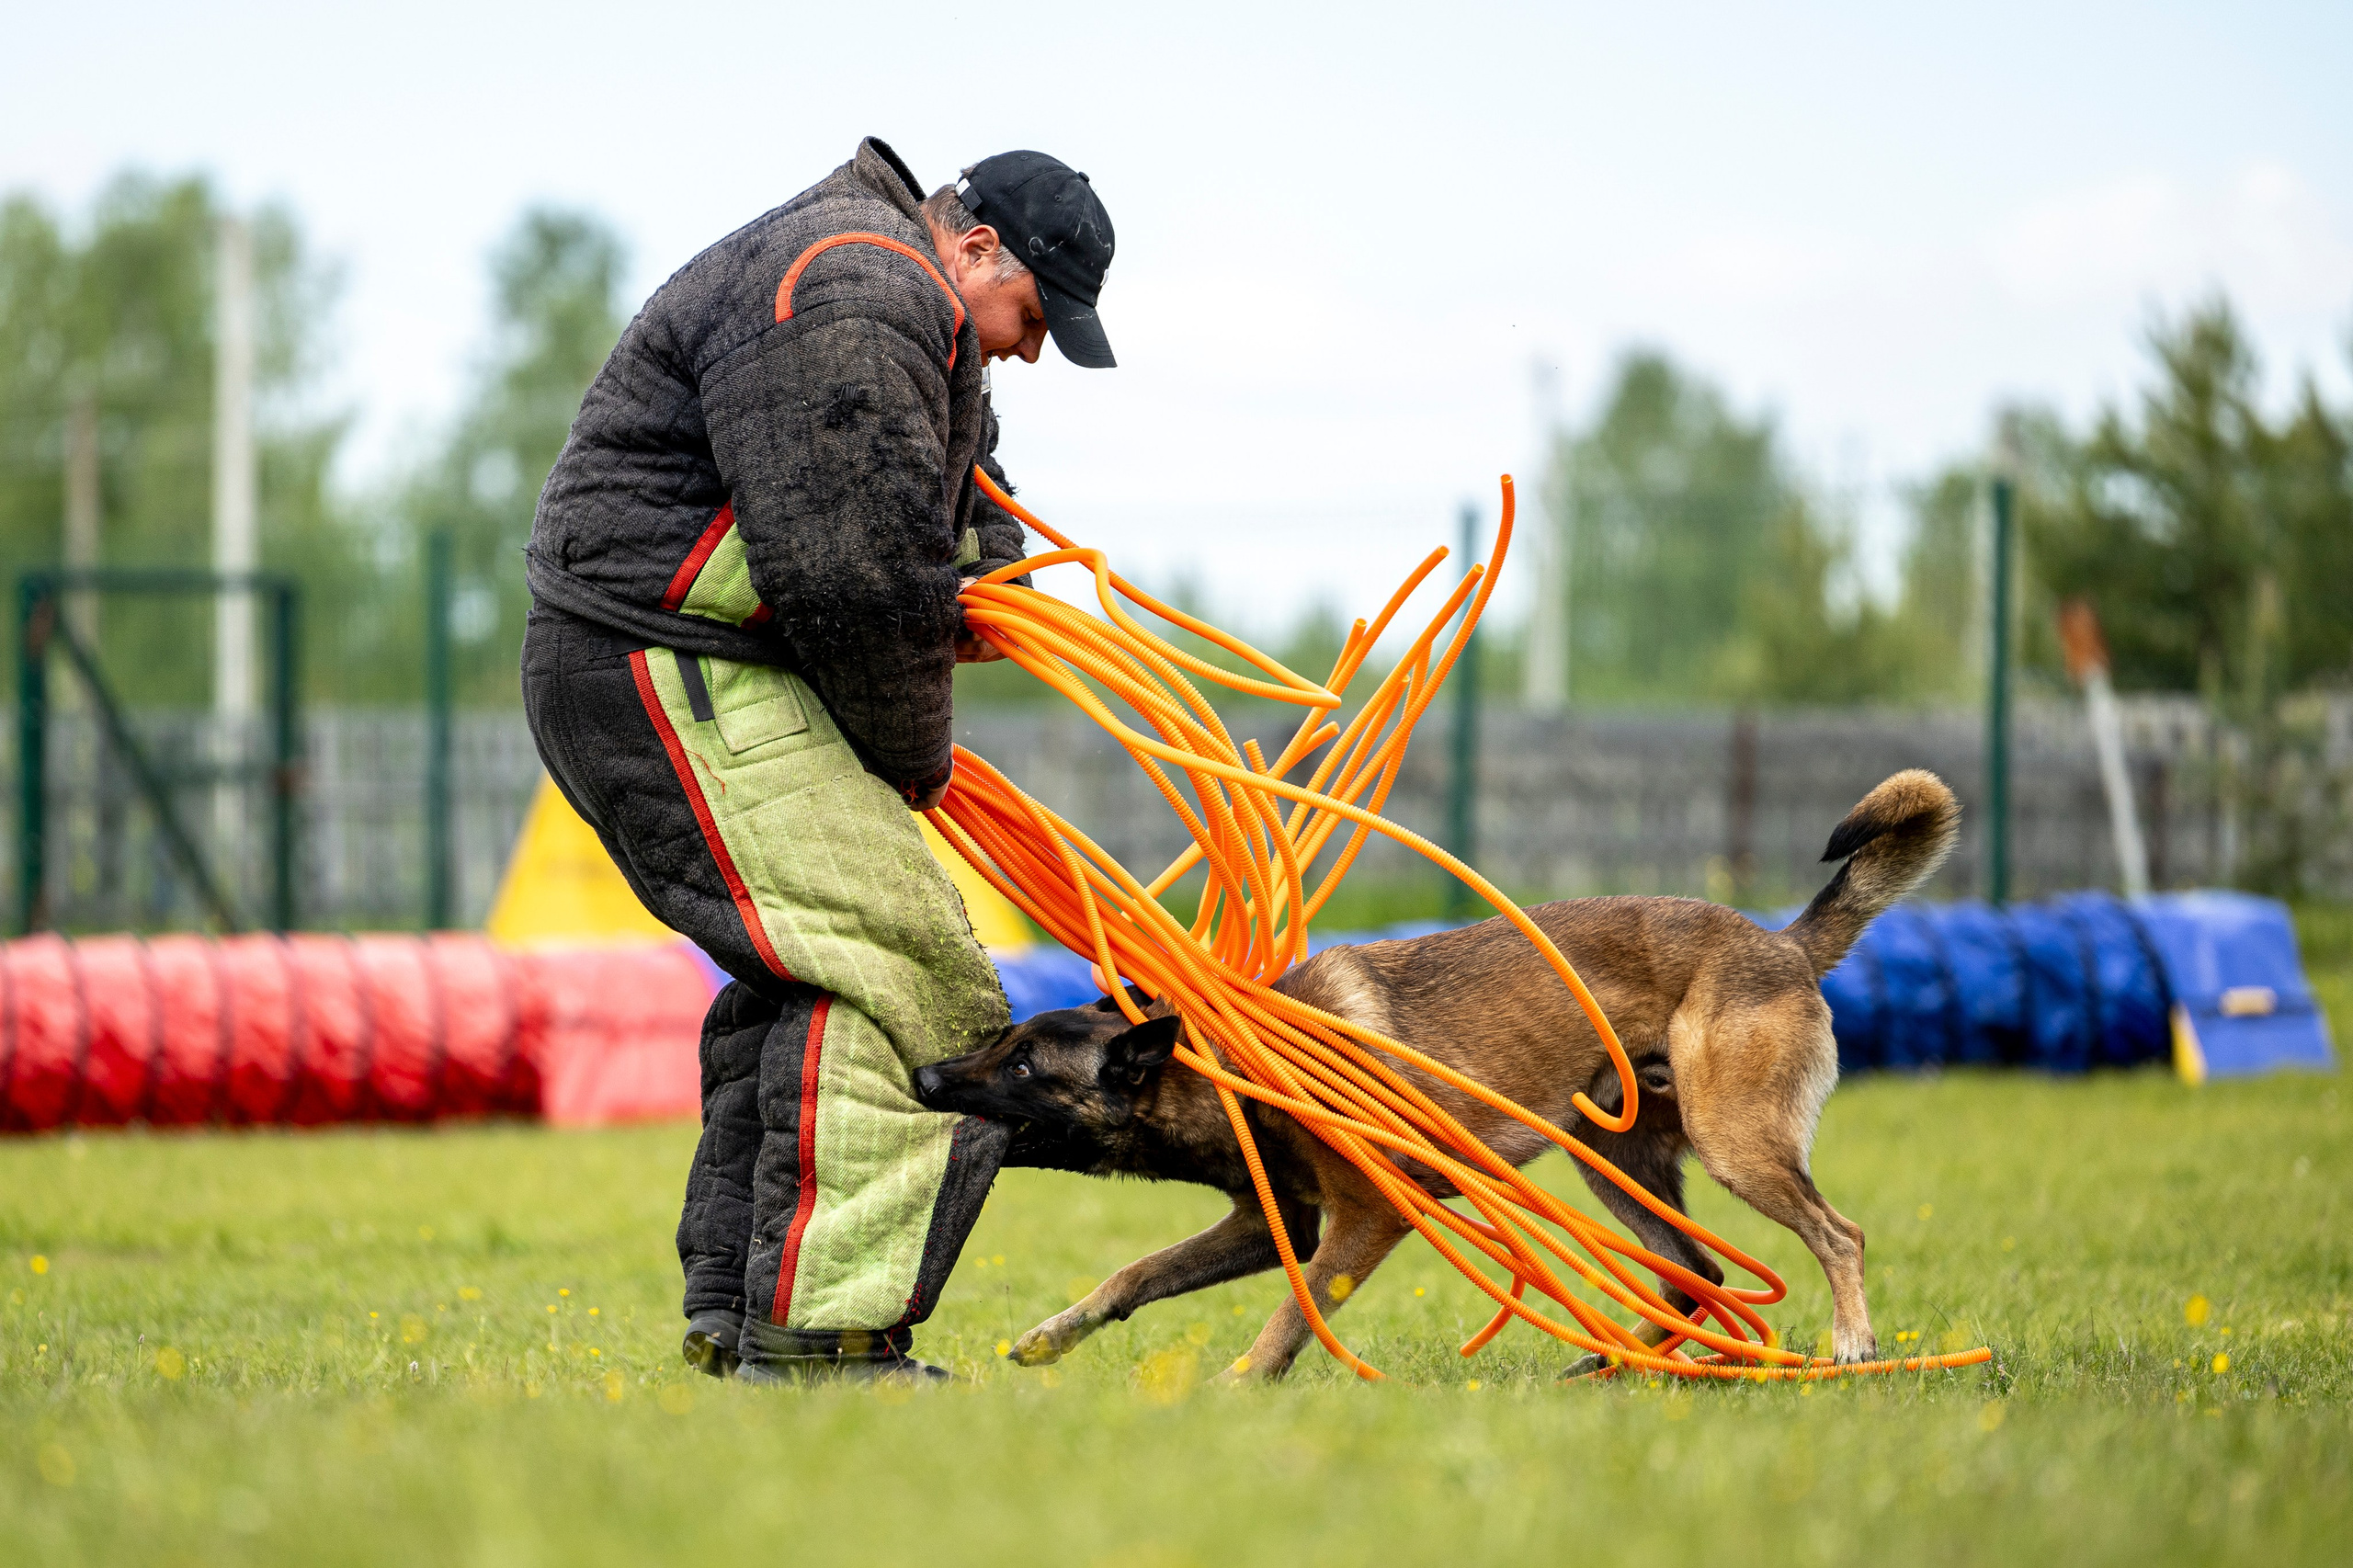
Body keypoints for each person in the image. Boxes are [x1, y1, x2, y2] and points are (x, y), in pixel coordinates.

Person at [520, 137, 1116, 1381]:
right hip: (664, 664)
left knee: (818, 973)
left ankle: (744, 1317)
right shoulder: (857, 288)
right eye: (1032, 313)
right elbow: (856, 582)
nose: (1030, 344)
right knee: (909, 967)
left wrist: (998, 569)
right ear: (974, 245)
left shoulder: (885, 286)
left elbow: (935, 486)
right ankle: (823, 1340)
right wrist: (916, 759)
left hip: (662, 660)